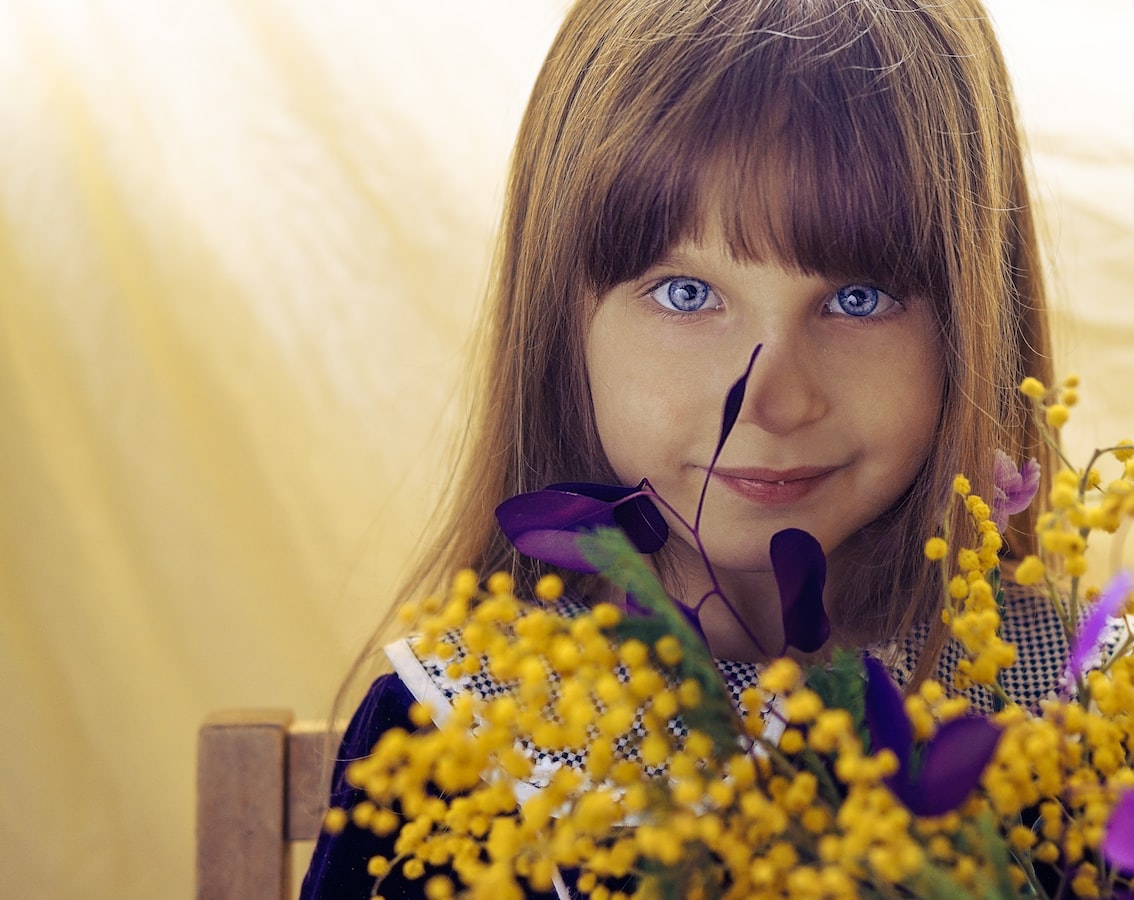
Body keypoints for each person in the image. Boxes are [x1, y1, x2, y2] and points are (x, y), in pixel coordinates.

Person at [302, 0, 1074, 896]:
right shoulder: (457, 724)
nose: (775, 400)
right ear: (565, 324)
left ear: (975, 325)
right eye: (684, 293)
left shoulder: (1077, 705)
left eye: (858, 298)